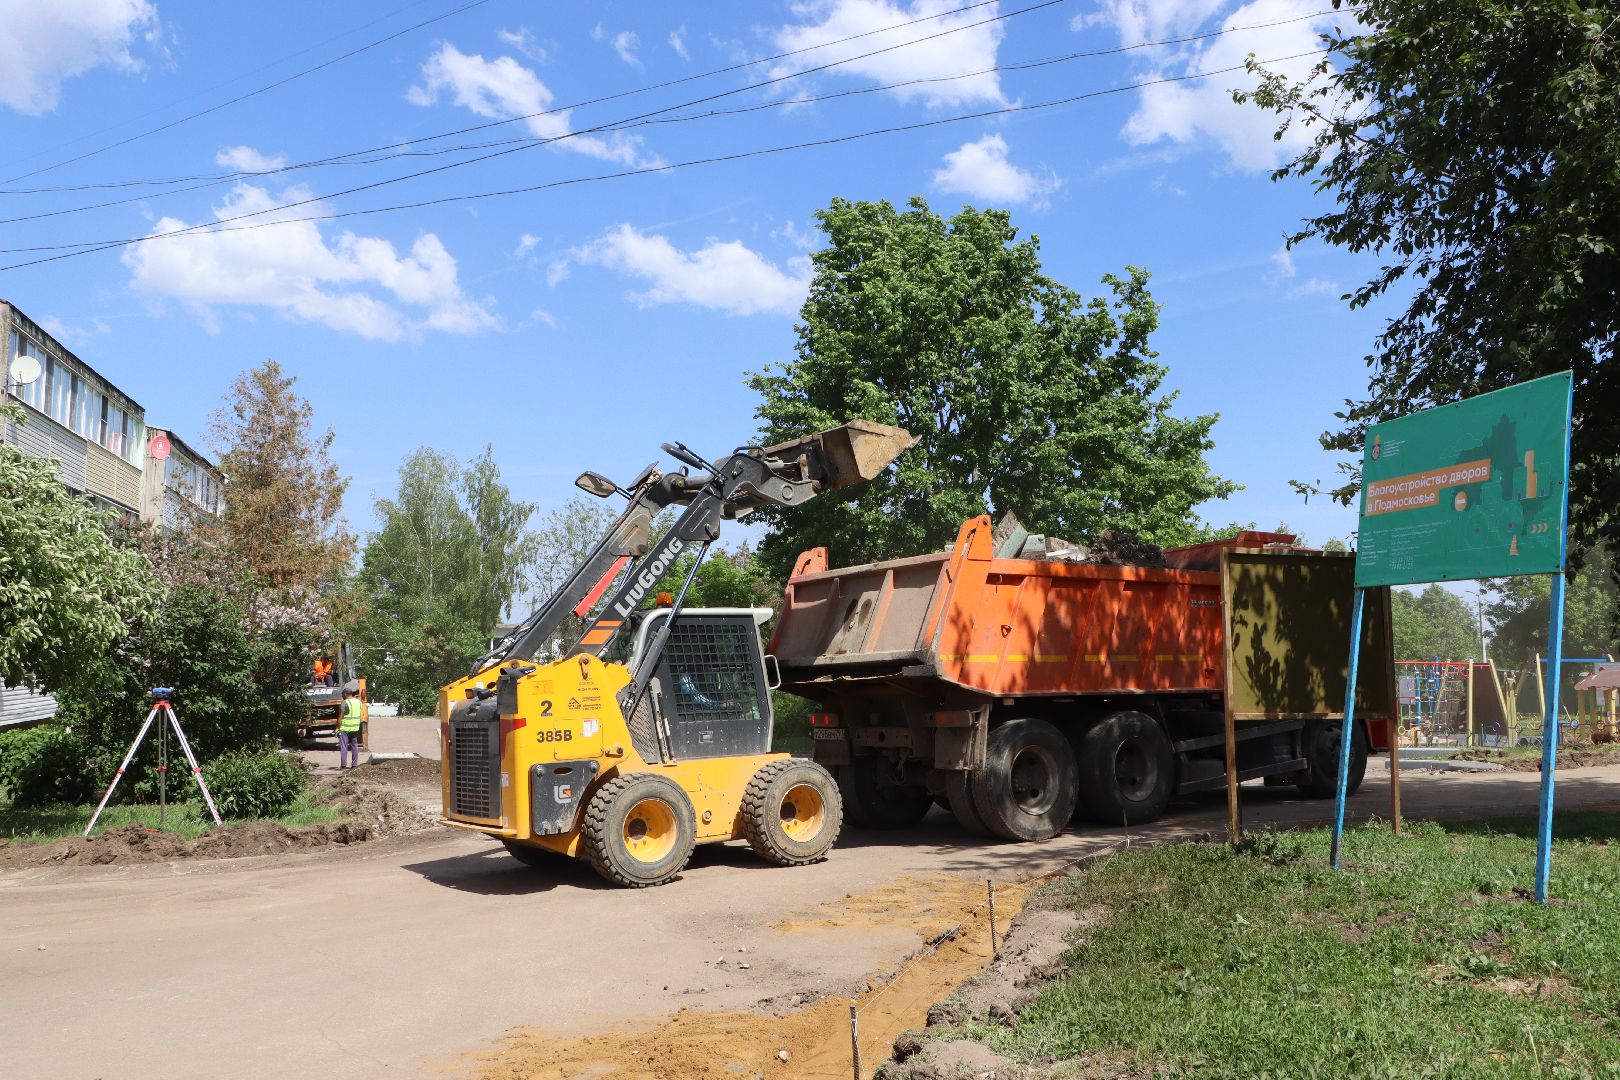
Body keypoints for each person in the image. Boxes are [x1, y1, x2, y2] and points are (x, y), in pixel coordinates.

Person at [337, 687, 364, 769]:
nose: (342, 696)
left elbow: (341, 717)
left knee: (344, 747)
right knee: (354, 747)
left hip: (345, 728)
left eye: (342, 694)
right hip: (355, 728)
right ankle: (354, 765)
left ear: (345, 694)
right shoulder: (359, 702)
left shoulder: (345, 703)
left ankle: (343, 765)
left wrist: (338, 728)